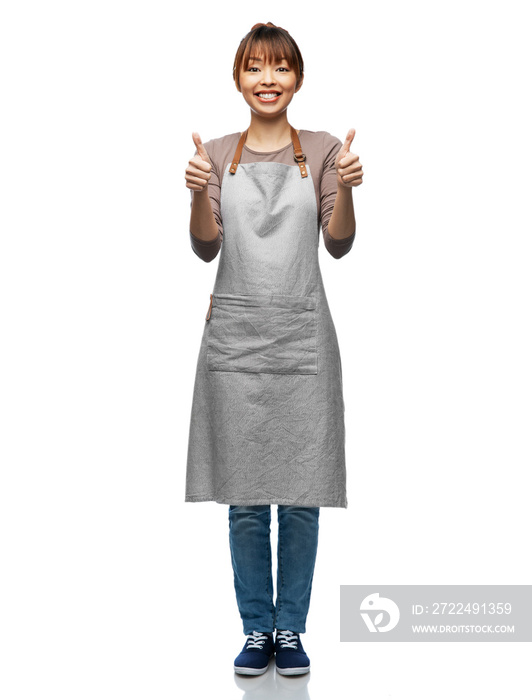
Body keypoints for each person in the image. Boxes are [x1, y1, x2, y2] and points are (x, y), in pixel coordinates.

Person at [184, 22, 363, 676]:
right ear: (239, 78)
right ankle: (255, 628)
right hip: (236, 339)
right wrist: (194, 194)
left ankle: (291, 630)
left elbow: (338, 242)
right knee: (246, 497)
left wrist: (346, 188)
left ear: (297, 78)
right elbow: (206, 245)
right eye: (255, 68)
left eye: (280, 68)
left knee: (302, 490)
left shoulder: (318, 151)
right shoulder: (218, 153)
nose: (268, 79)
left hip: (301, 336)